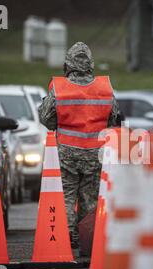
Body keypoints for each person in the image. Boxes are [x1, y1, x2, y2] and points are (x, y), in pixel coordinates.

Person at [39, 42, 121, 254]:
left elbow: (47, 120)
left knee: (66, 196)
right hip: (96, 153)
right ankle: (88, 242)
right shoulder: (105, 88)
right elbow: (115, 120)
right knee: (90, 199)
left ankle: (66, 240)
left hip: (66, 152)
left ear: (68, 64)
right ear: (91, 63)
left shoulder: (59, 87)